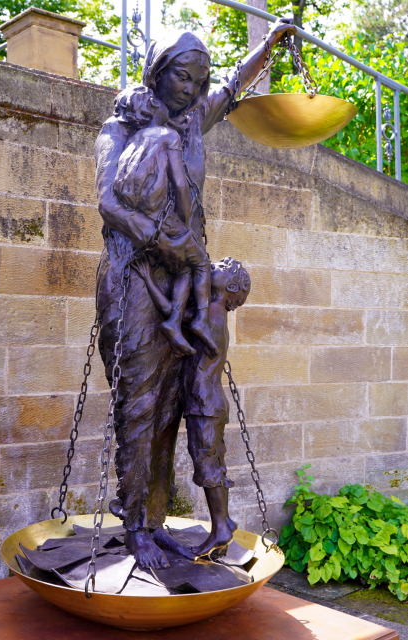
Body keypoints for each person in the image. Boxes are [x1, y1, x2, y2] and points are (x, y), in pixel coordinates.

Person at [95, 19, 296, 570]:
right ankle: (134, 524)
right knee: (137, 406)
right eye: (182, 77)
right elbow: (110, 204)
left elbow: (232, 89)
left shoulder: (189, 125)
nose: (192, 88)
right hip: (134, 276)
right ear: (158, 74)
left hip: (179, 278)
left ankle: (152, 523)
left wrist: (270, 45)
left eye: (198, 79)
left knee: (168, 408)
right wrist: (167, 241)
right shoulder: (119, 129)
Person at [133, 256, 251, 558]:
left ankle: (221, 527)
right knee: (212, 462)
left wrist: (148, 278)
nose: (214, 265)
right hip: (206, 404)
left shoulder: (211, 311)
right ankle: (223, 522)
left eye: (222, 267)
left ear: (231, 287)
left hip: (203, 405)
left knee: (207, 466)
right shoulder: (212, 310)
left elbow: (172, 314)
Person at [113, 86, 217, 358]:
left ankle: (173, 322)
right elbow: (181, 185)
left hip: (144, 227)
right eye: (159, 103)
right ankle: (201, 320)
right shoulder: (167, 137)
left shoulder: (134, 140)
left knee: (183, 267)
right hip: (165, 222)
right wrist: (186, 219)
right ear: (151, 107)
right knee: (200, 262)